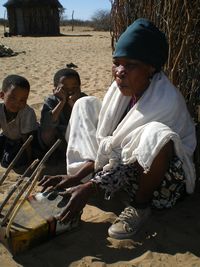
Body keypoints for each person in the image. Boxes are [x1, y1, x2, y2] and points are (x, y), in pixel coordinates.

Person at [39, 18, 197, 239]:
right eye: (117, 62)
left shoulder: (165, 101)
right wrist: (78, 177)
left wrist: (92, 187)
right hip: (118, 171)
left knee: (157, 134)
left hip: (160, 184)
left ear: (151, 68)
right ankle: (83, 176)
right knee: (85, 104)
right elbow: (111, 141)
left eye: (130, 65)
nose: (119, 72)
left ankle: (140, 207)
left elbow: (126, 155)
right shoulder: (120, 90)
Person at [39, 68, 87, 152]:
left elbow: (86, 122)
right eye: (64, 88)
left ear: (80, 86)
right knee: (46, 133)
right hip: (59, 137)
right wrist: (62, 102)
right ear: (55, 88)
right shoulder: (51, 100)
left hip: (78, 137)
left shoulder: (84, 99)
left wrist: (73, 104)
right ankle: (55, 154)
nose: (70, 91)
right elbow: (46, 123)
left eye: (74, 87)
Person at [0, 74, 38, 168]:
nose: (17, 103)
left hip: (24, 141)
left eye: (22, 100)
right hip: (7, 138)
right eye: (12, 98)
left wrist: (29, 160)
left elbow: (27, 140)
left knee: (13, 162)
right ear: (2, 95)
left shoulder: (27, 112)